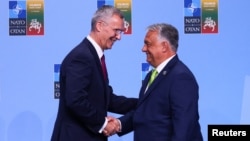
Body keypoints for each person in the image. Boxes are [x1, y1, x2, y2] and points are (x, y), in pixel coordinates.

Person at [51, 5, 137, 141]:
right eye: (116, 31)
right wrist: (104, 124)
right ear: (100, 26)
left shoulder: (93, 56)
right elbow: (76, 100)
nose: (119, 37)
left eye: (121, 32)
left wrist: (144, 103)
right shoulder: (81, 57)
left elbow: (106, 99)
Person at [116, 23, 203, 141]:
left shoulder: (180, 77)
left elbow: (184, 128)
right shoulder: (152, 75)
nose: (143, 49)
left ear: (164, 46)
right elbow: (146, 112)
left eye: (148, 44)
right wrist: (119, 124)